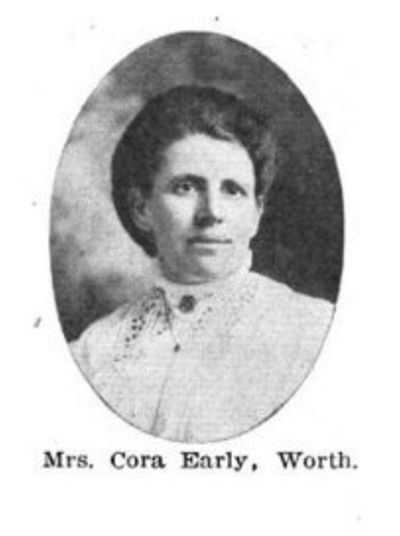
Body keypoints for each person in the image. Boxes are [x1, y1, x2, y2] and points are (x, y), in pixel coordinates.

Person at [70, 86, 333, 443]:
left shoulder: (313, 333)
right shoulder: (94, 351)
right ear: (142, 209)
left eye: (232, 190)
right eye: (186, 187)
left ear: (256, 214)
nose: (212, 213)